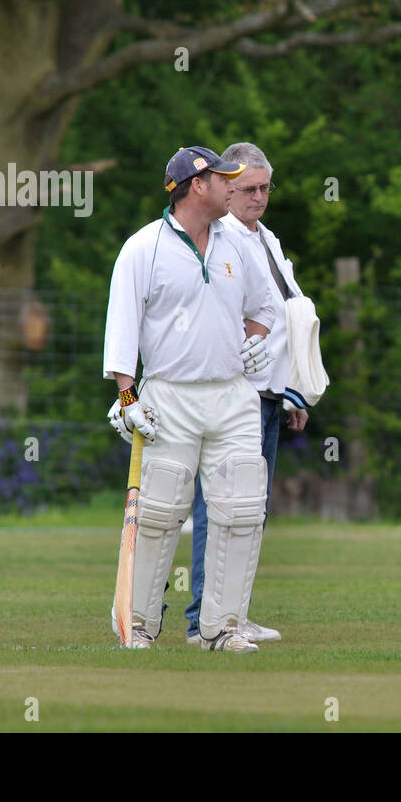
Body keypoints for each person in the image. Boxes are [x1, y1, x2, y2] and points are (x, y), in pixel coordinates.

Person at [104, 145, 276, 653]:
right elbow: (122, 329)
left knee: (241, 508)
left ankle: (222, 629)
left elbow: (265, 304)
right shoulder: (145, 247)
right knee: (158, 512)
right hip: (169, 398)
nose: (235, 188)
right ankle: (135, 625)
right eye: (225, 179)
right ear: (197, 186)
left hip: (232, 396)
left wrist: (252, 341)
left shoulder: (238, 245)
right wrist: (128, 395)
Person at [181, 141, 312, 646]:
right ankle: (201, 620)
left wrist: (294, 389)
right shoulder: (220, 240)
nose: (259, 197)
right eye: (248, 189)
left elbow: (289, 313)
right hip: (237, 394)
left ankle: (233, 612)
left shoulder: (267, 239)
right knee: (219, 508)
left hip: (271, 392)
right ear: (226, 190)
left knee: (252, 510)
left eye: (265, 188)